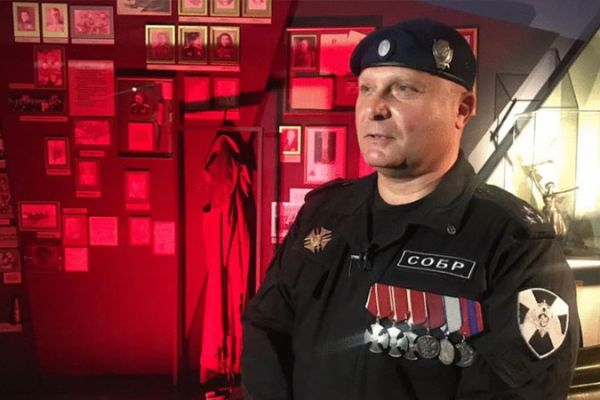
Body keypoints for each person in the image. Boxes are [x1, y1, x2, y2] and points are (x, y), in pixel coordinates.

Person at [242, 19, 580, 399]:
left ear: (462, 109)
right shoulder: (324, 213)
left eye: (403, 89)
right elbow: (265, 330)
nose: (374, 108)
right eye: (366, 88)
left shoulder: (514, 244)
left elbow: (514, 391)